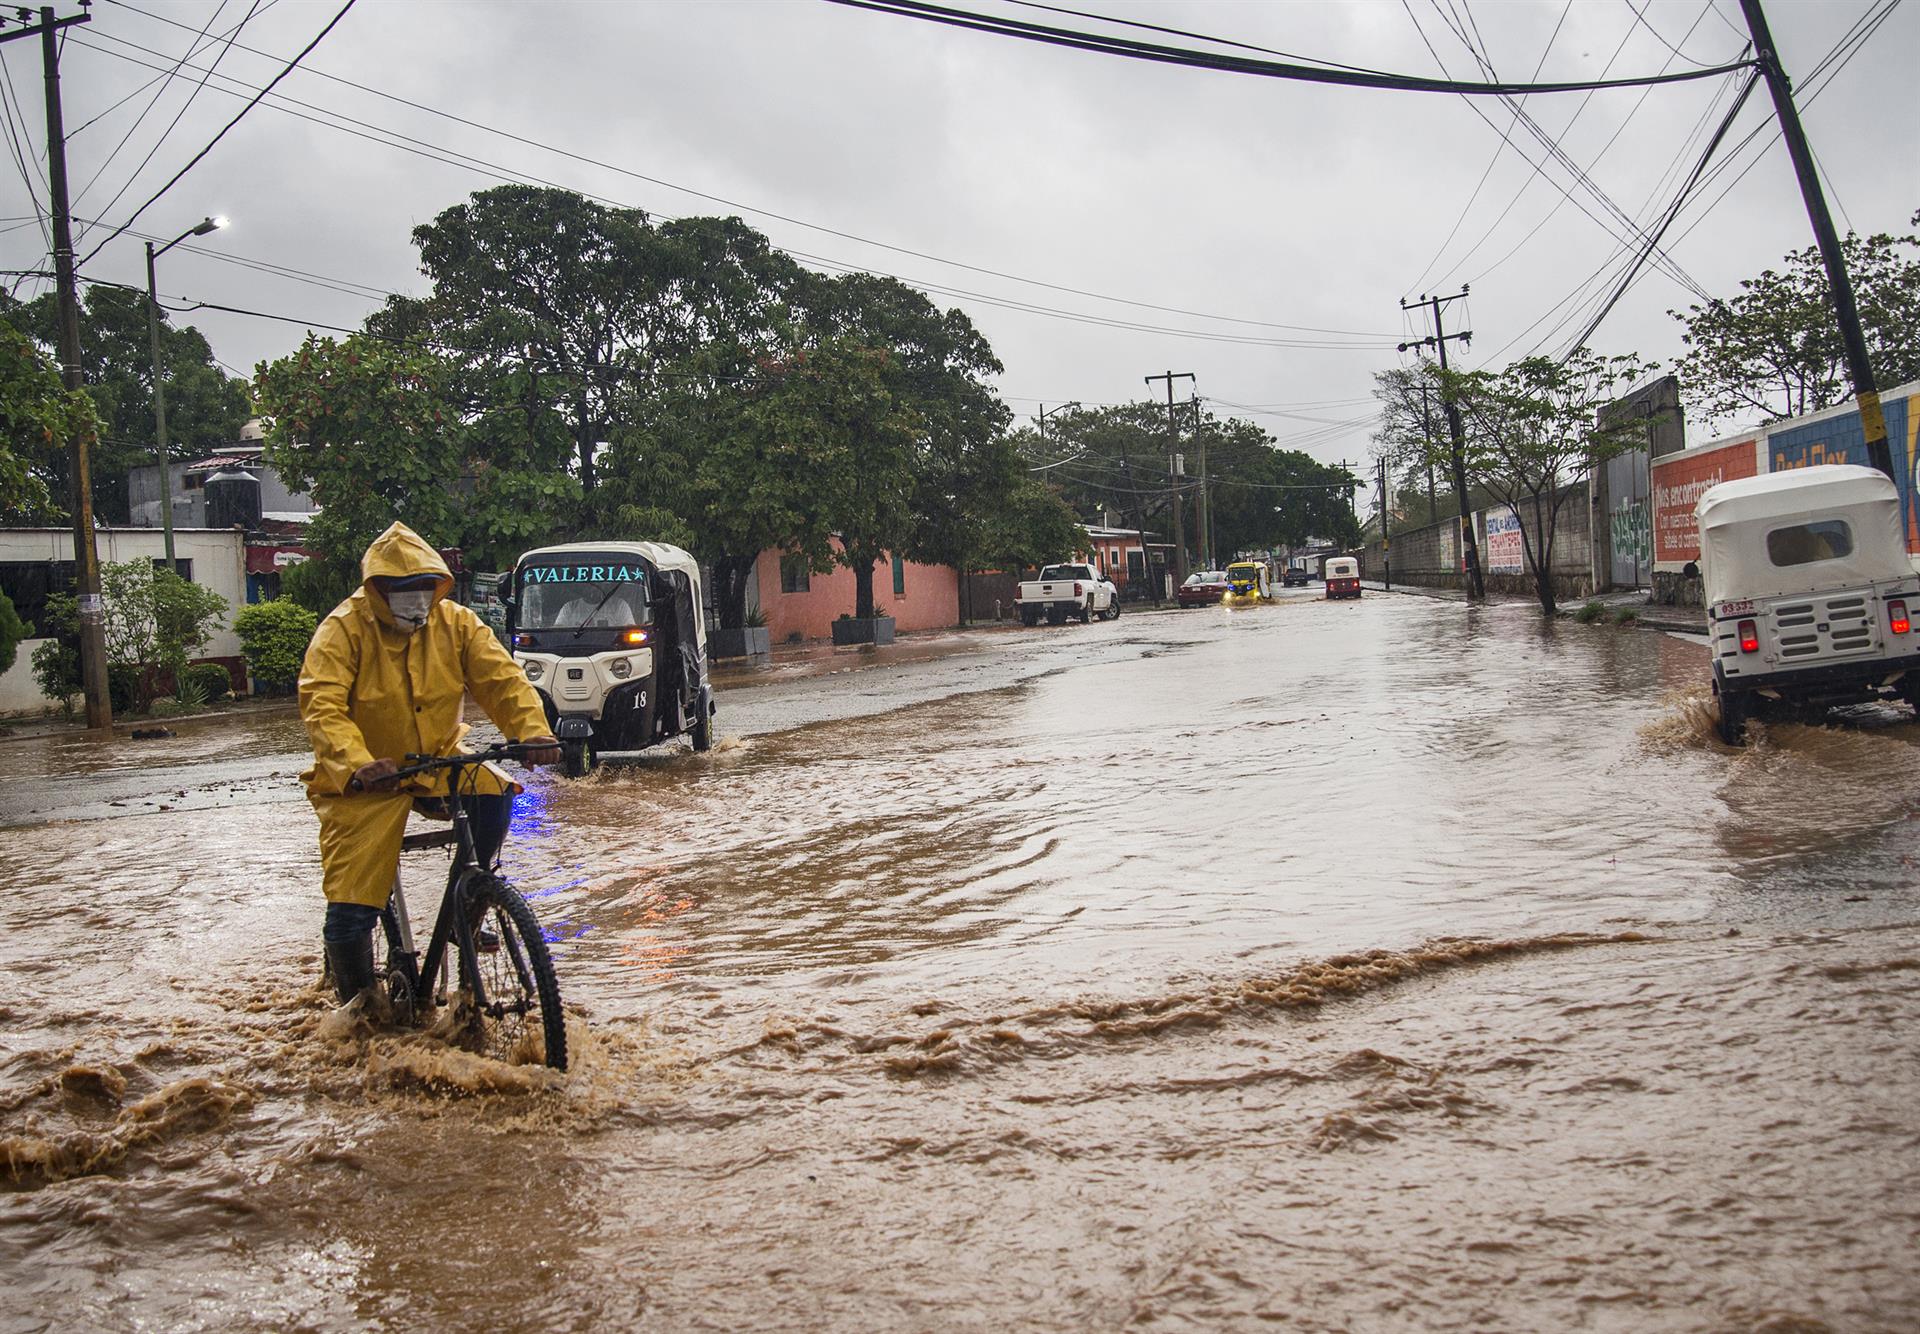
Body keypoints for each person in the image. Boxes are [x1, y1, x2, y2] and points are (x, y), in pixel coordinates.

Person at [299, 522, 560, 1004]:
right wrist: (357, 763)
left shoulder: (456, 623)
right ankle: (357, 1014)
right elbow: (322, 704)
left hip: (439, 760)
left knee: (496, 792)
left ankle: (471, 906)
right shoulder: (343, 629)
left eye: (424, 589)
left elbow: (502, 679)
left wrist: (532, 732)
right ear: (378, 591)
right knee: (351, 905)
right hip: (365, 780)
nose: (416, 601)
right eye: (403, 591)